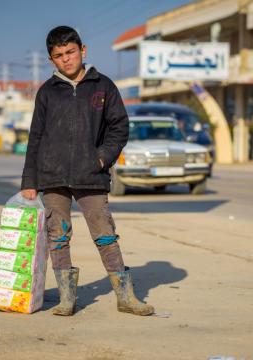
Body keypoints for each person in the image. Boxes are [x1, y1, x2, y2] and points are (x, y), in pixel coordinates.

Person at [20, 26, 154, 317]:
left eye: (70, 52)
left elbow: (120, 127)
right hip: (52, 177)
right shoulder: (47, 92)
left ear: (83, 50)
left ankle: (125, 296)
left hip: (91, 176)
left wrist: (102, 159)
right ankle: (68, 298)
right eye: (58, 56)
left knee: (105, 234)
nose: (66, 59)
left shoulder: (103, 86)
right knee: (58, 236)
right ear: (51, 59)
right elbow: (36, 137)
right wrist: (29, 181)